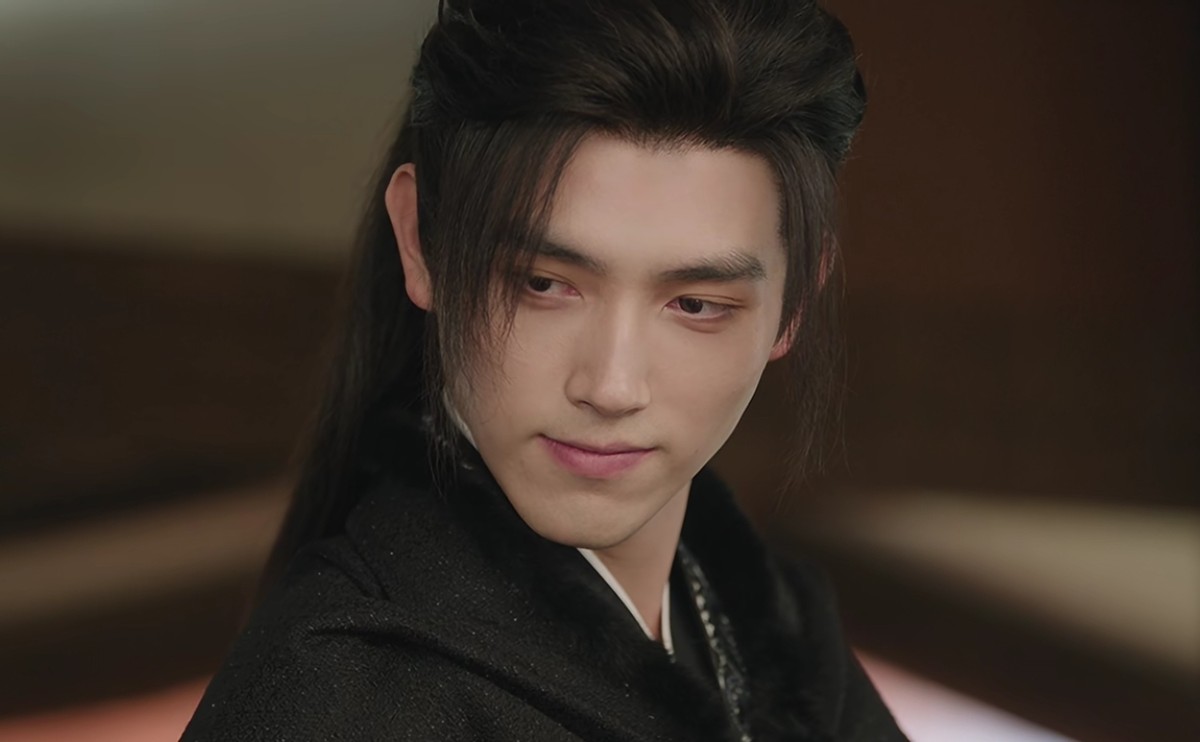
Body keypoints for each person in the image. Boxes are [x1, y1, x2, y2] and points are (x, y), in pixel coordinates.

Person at [183, 0, 906, 739]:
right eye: (543, 284)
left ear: (794, 300)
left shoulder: (788, 643)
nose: (611, 386)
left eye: (695, 304)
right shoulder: (340, 697)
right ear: (421, 241)